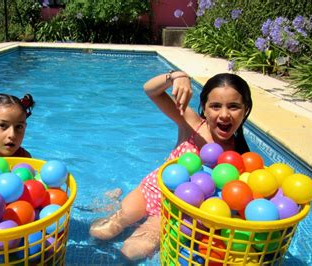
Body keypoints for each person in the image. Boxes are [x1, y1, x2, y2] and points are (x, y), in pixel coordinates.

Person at [89, 71, 253, 261]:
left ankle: (118, 202)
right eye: (215, 106)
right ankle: (115, 201)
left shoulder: (239, 159)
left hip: (177, 213)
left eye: (233, 107)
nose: (224, 114)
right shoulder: (192, 125)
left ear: (245, 109)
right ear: (204, 108)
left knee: (131, 252)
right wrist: (176, 76)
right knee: (100, 232)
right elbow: (151, 91)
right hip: (153, 191)